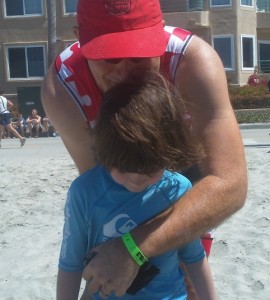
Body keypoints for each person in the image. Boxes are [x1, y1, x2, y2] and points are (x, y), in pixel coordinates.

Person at [41, 0, 247, 295]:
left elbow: (230, 184)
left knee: (187, 276)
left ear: (159, 35)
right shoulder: (62, 89)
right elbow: (103, 189)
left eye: (139, 55)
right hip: (123, 168)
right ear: (80, 37)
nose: (125, 74)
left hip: (186, 168)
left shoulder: (194, 62)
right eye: (108, 58)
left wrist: (133, 248)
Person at [57, 72, 216, 300]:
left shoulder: (178, 189)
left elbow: (194, 258)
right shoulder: (84, 192)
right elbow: (70, 264)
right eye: (123, 169)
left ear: (168, 155)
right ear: (105, 152)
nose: (136, 179)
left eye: (150, 170)